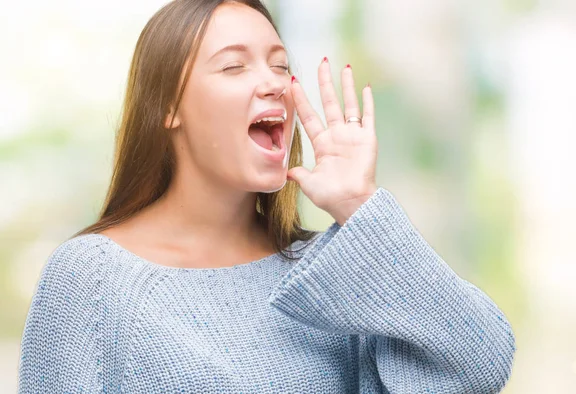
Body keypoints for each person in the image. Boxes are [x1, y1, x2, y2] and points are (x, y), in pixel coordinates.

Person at [17, 0, 516, 392]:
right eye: (234, 67)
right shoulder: (90, 279)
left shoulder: (329, 272)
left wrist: (358, 208)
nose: (273, 84)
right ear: (169, 106)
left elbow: (481, 363)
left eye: (280, 66)